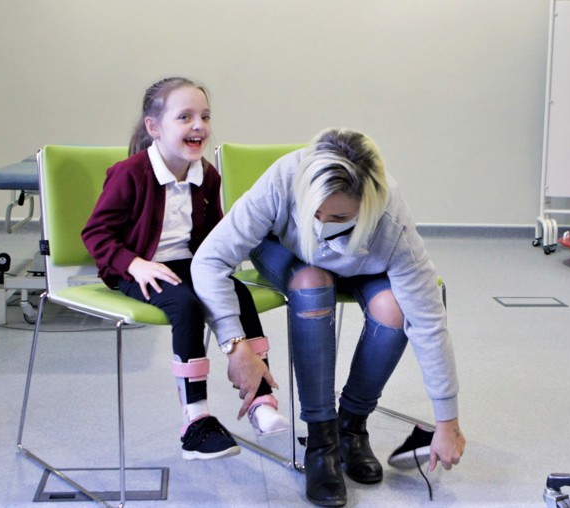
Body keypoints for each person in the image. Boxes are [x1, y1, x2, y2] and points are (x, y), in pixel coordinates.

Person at [191, 128, 465, 505]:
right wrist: (235, 346)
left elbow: (430, 321)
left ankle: (351, 428)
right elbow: (208, 260)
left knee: (394, 309)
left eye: (336, 215)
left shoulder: (390, 220)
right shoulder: (285, 178)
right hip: (284, 252)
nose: (320, 223)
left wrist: (448, 422)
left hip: (361, 259)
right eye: (313, 211)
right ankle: (321, 440)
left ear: (366, 206)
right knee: (311, 283)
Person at [81, 77, 289, 461]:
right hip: (139, 268)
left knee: (239, 294)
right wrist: (134, 263)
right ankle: (195, 420)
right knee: (186, 307)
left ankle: (260, 399)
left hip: (192, 265)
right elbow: (95, 233)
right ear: (154, 127)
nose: (198, 125)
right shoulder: (129, 173)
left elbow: (214, 235)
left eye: (204, 116)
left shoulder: (206, 175)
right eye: (185, 117)